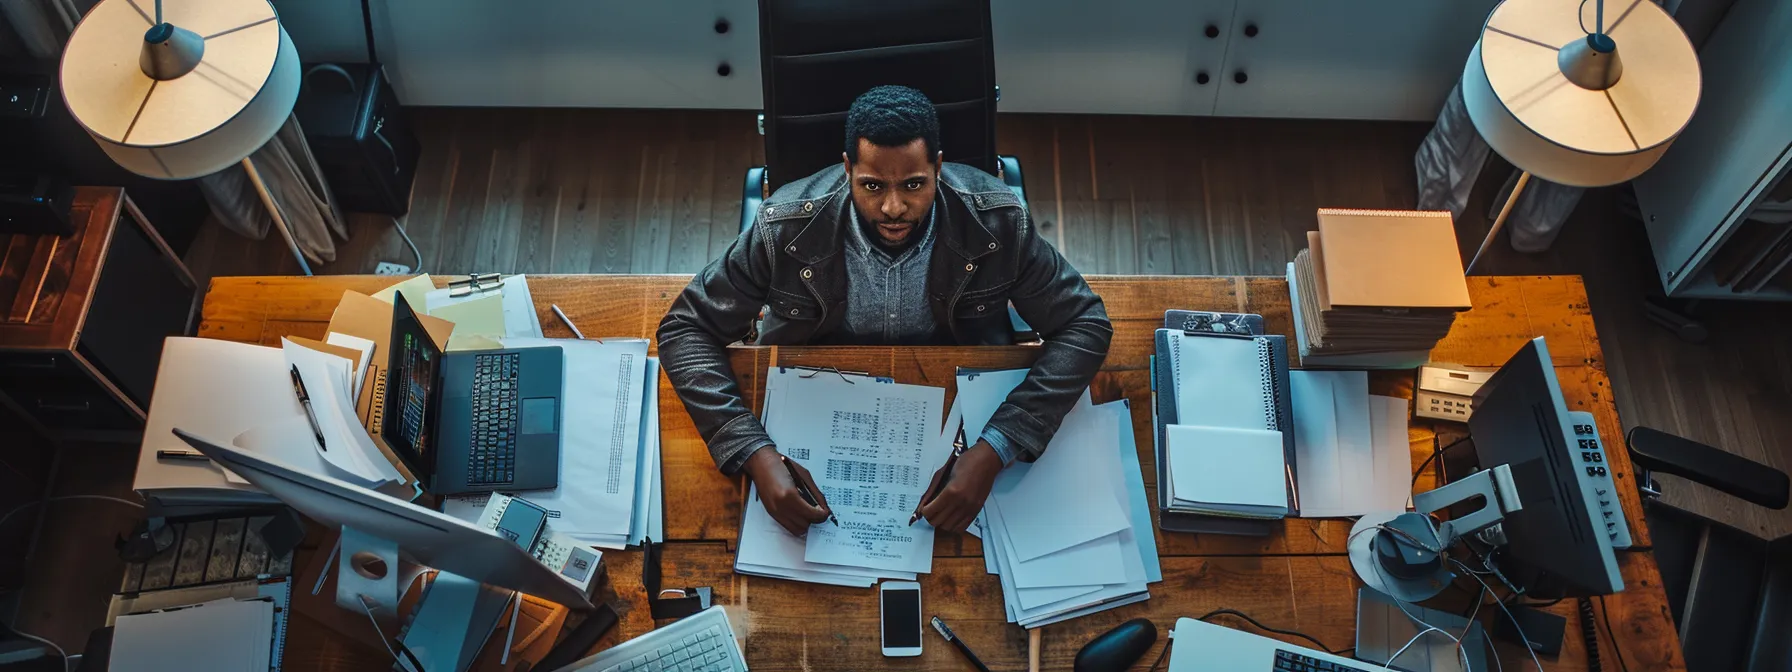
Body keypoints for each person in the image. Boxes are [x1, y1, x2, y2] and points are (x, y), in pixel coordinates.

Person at [657, 85, 1111, 536]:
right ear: (847, 168)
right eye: (872, 186)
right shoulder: (785, 226)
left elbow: (1085, 324)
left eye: (914, 185)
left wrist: (994, 449)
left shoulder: (998, 221)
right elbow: (684, 330)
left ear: (938, 167)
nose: (894, 208)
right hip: (811, 402)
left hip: (954, 402)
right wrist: (753, 452)